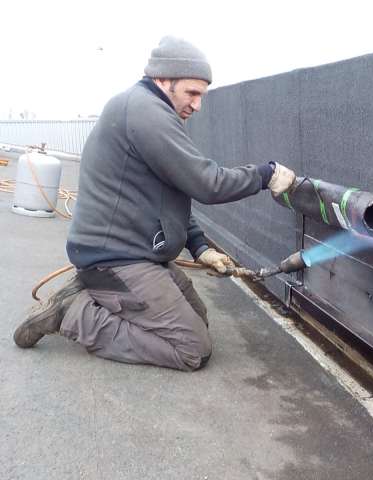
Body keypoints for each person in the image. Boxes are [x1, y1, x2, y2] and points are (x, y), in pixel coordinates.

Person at [13, 36, 296, 371]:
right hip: (115, 257)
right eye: (192, 93)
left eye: (201, 95)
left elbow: (168, 194)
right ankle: (74, 314)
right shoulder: (146, 113)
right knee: (192, 348)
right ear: (163, 80)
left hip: (136, 251)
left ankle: (98, 294)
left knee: (197, 320)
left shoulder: (148, 110)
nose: (198, 104)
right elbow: (208, 184)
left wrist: (199, 246)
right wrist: (267, 174)